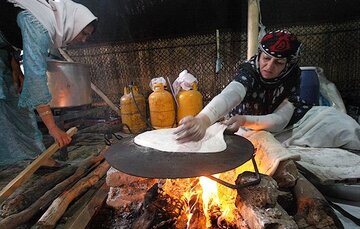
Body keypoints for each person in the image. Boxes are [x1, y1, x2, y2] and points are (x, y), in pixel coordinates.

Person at [174, 29, 360, 150]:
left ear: (288, 64)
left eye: (278, 62)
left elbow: (280, 120)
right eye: (265, 58)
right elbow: (231, 94)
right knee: (256, 150)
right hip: (247, 128)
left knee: (343, 124)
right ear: (259, 55)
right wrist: (203, 119)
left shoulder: (292, 75)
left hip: (285, 124)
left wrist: (245, 119)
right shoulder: (249, 72)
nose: (269, 66)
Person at [0, 0, 97, 166]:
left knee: (16, 104)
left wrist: (13, 62)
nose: (84, 40)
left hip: (4, 52)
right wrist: (53, 128)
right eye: (84, 33)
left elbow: (10, 37)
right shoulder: (39, 23)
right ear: (74, 23)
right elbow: (35, 77)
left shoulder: (46, 21)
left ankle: (33, 158)